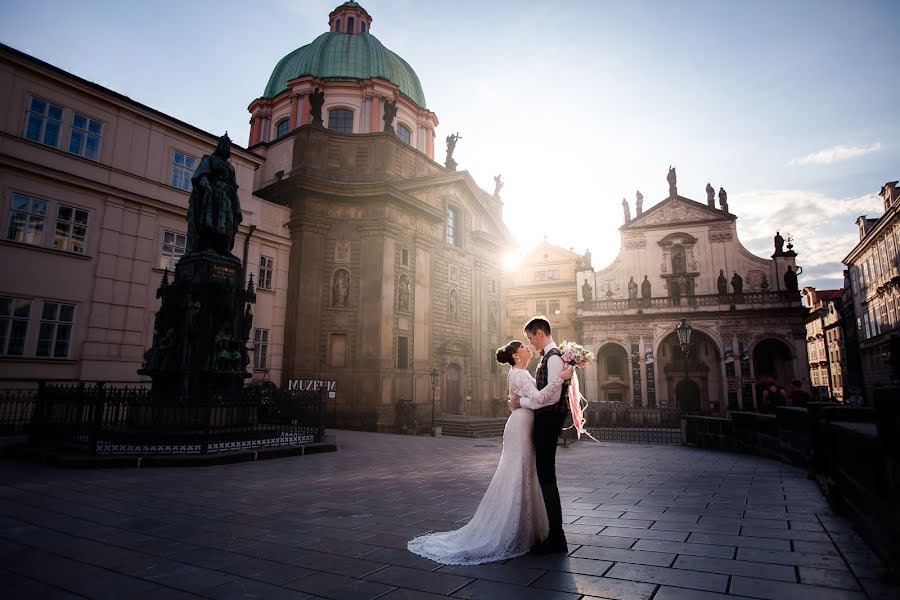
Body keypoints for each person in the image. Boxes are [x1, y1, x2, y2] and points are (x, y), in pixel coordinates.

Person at [407, 338, 573, 564]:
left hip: (521, 424)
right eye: (523, 347)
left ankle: (523, 527)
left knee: (520, 473)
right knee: (518, 473)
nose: (527, 348)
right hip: (521, 425)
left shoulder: (518, 373)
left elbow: (525, 398)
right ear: (516, 355)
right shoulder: (520, 374)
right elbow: (537, 400)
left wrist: (519, 400)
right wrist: (558, 379)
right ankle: (513, 529)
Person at [509, 317, 571, 554]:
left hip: (548, 422)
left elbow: (552, 398)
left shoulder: (553, 357)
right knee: (545, 475)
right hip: (545, 421)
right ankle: (555, 535)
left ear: (540, 333)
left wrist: (520, 401)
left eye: (530, 338)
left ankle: (557, 537)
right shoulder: (550, 357)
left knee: (546, 477)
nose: (530, 343)